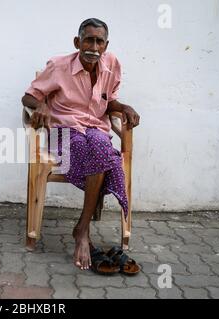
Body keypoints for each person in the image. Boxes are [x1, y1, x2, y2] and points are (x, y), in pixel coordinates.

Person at [21, 18, 140, 272]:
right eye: (88, 40)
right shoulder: (59, 66)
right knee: (99, 152)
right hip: (64, 131)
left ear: (105, 45)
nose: (93, 47)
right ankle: (83, 232)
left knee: (99, 143)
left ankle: (81, 228)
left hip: (95, 127)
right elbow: (28, 96)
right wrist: (40, 104)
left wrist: (124, 107)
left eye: (99, 41)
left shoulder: (112, 65)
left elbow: (109, 102)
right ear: (77, 42)